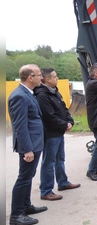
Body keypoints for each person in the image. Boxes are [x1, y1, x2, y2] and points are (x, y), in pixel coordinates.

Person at [8, 64, 48, 225]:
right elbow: (20, 125)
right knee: (24, 178)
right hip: (29, 145)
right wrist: (27, 149)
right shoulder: (19, 96)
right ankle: (16, 215)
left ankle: (26, 206)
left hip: (35, 143)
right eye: (39, 75)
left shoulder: (27, 93)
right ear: (30, 77)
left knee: (28, 176)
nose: (42, 78)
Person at [34, 68, 80, 201]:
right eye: (55, 76)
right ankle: (46, 190)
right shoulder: (42, 95)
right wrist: (64, 124)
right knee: (49, 162)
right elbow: (49, 116)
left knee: (60, 159)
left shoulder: (55, 92)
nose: (57, 78)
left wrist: (69, 121)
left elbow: (64, 109)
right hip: (51, 133)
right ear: (47, 79)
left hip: (59, 132)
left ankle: (63, 182)